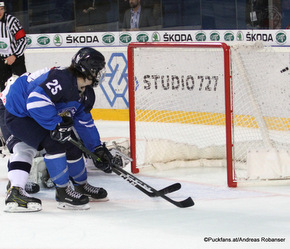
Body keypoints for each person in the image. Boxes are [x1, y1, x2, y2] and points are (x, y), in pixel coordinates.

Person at [3, 47, 116, 212]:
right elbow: (35, 102)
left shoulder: (87, 93)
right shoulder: (62, 79)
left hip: (38, 113)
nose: (99, 74)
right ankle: (63, 193)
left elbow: (85, 123)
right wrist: (56, 125)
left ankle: (80, 186)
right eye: (97, 69)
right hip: (19, 113)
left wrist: (96, 148)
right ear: (88, 69)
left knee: (73, 143)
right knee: (54, 143)